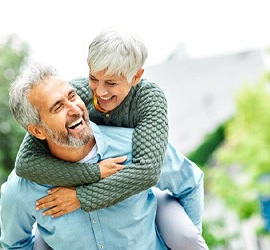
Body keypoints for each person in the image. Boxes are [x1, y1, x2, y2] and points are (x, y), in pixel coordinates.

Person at [13, 28, 207, 248]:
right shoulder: (77, 94)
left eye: (111, 83)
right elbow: (26, 162)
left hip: (144, 194)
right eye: (94, 78)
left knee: (188, 238)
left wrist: (80, 197)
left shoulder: (149, 99)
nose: (100, 92)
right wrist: (94, 172)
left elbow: (148, 172)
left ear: (136, 76)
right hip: (94, 197)